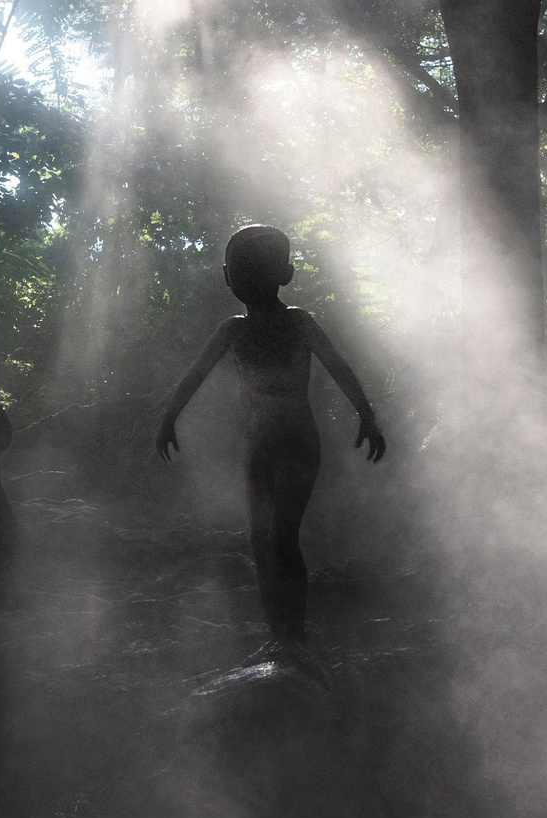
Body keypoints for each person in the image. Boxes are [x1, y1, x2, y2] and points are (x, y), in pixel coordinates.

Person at [155, 224, 386, 638]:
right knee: (263, 541)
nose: (246, 277)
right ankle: (279, 635)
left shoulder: (294, 323)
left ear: (286, 274)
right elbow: (195, 375)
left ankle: (292, 634)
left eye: (252, 268)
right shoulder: (236, 329)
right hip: (262, 444)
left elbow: (338, 367)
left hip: (293, 440)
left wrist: (366, 414)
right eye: (242, 269)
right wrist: (168, 417)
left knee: (280, 538)